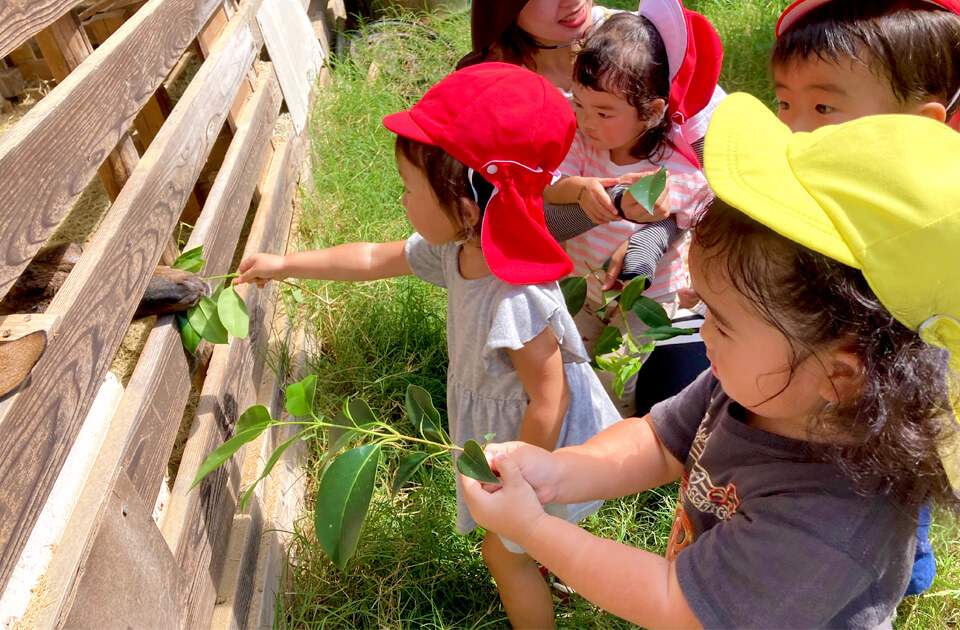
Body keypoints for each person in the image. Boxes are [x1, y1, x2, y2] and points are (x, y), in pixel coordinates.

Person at [461, 92, 960, 628]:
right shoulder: (765, 386)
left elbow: (674, 603)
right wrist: (559, 472)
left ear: (838, 373)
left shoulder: (834, 515)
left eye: (721, 319)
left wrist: (535, 530)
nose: (700, 324)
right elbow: (659, 440)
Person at [234, 63, 621, 630]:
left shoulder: (514, 293)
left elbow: (549, 399)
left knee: (501, 552)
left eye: (410, 191)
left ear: (466, 201)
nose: (404, 203)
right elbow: (372, 258)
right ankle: (550, 556)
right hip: (505, 434)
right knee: (531, 545)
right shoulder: (459, 248)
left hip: (535, 447)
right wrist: (284, 264)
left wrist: (516, 487)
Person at [771, 0, 960, 596]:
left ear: (922, 126)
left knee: (904, 470)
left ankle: (910, 566)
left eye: (824, 107)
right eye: (784, 103)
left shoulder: (938, 227)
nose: (796, 129)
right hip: (826, 382)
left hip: (909, 381)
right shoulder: (793, 182)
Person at [461, 0, 725, 289]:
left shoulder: (640, 41)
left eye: (603, 112)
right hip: (568, 282)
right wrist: (615, 201)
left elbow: (714, 175)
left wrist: (654, 236)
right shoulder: (497, 92)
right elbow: (517, 220)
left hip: (665, 279)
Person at [543, 11, 713, 415]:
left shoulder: (673, 153)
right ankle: (574, 430)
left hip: (647, 296)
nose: (587, 120)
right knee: (570, 363)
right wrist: (579, 190)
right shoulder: (580, 138)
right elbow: (550, 181)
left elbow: (698, 195)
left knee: (613, 375)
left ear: (653, 112)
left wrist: (663, 210)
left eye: (603, 113)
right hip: (583, 284)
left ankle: (612, 448)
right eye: (579, 102)